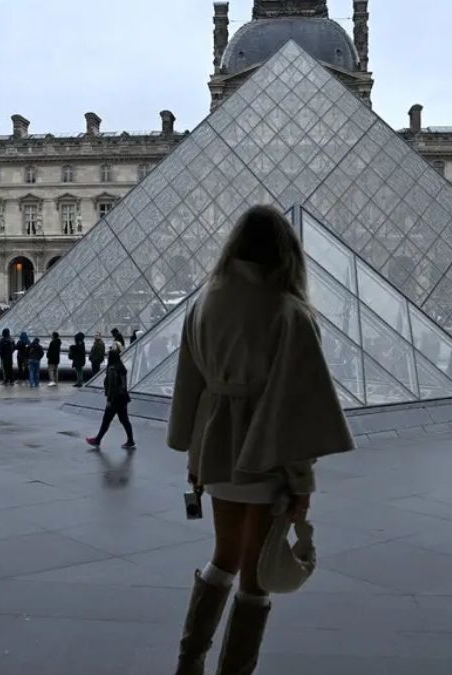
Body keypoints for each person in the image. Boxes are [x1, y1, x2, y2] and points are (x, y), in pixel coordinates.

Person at [167, 205, 354, 674]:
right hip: (265, 456)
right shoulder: (289, 312)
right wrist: (302, 484)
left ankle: (188, 662)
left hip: (215, 452)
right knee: (255, 575)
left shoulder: (202, 303)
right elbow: (297, 408)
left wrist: (193, 455)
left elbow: (189, 386)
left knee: (222, 558)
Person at [86, 346, 136, 449]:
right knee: (124, 420)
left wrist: (109, 400)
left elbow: (112, 386)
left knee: (106, 421)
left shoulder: (112, 369)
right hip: (123, 397)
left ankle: (97, 440)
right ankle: (130, 440)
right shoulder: (121, 367)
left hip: (115, 399)